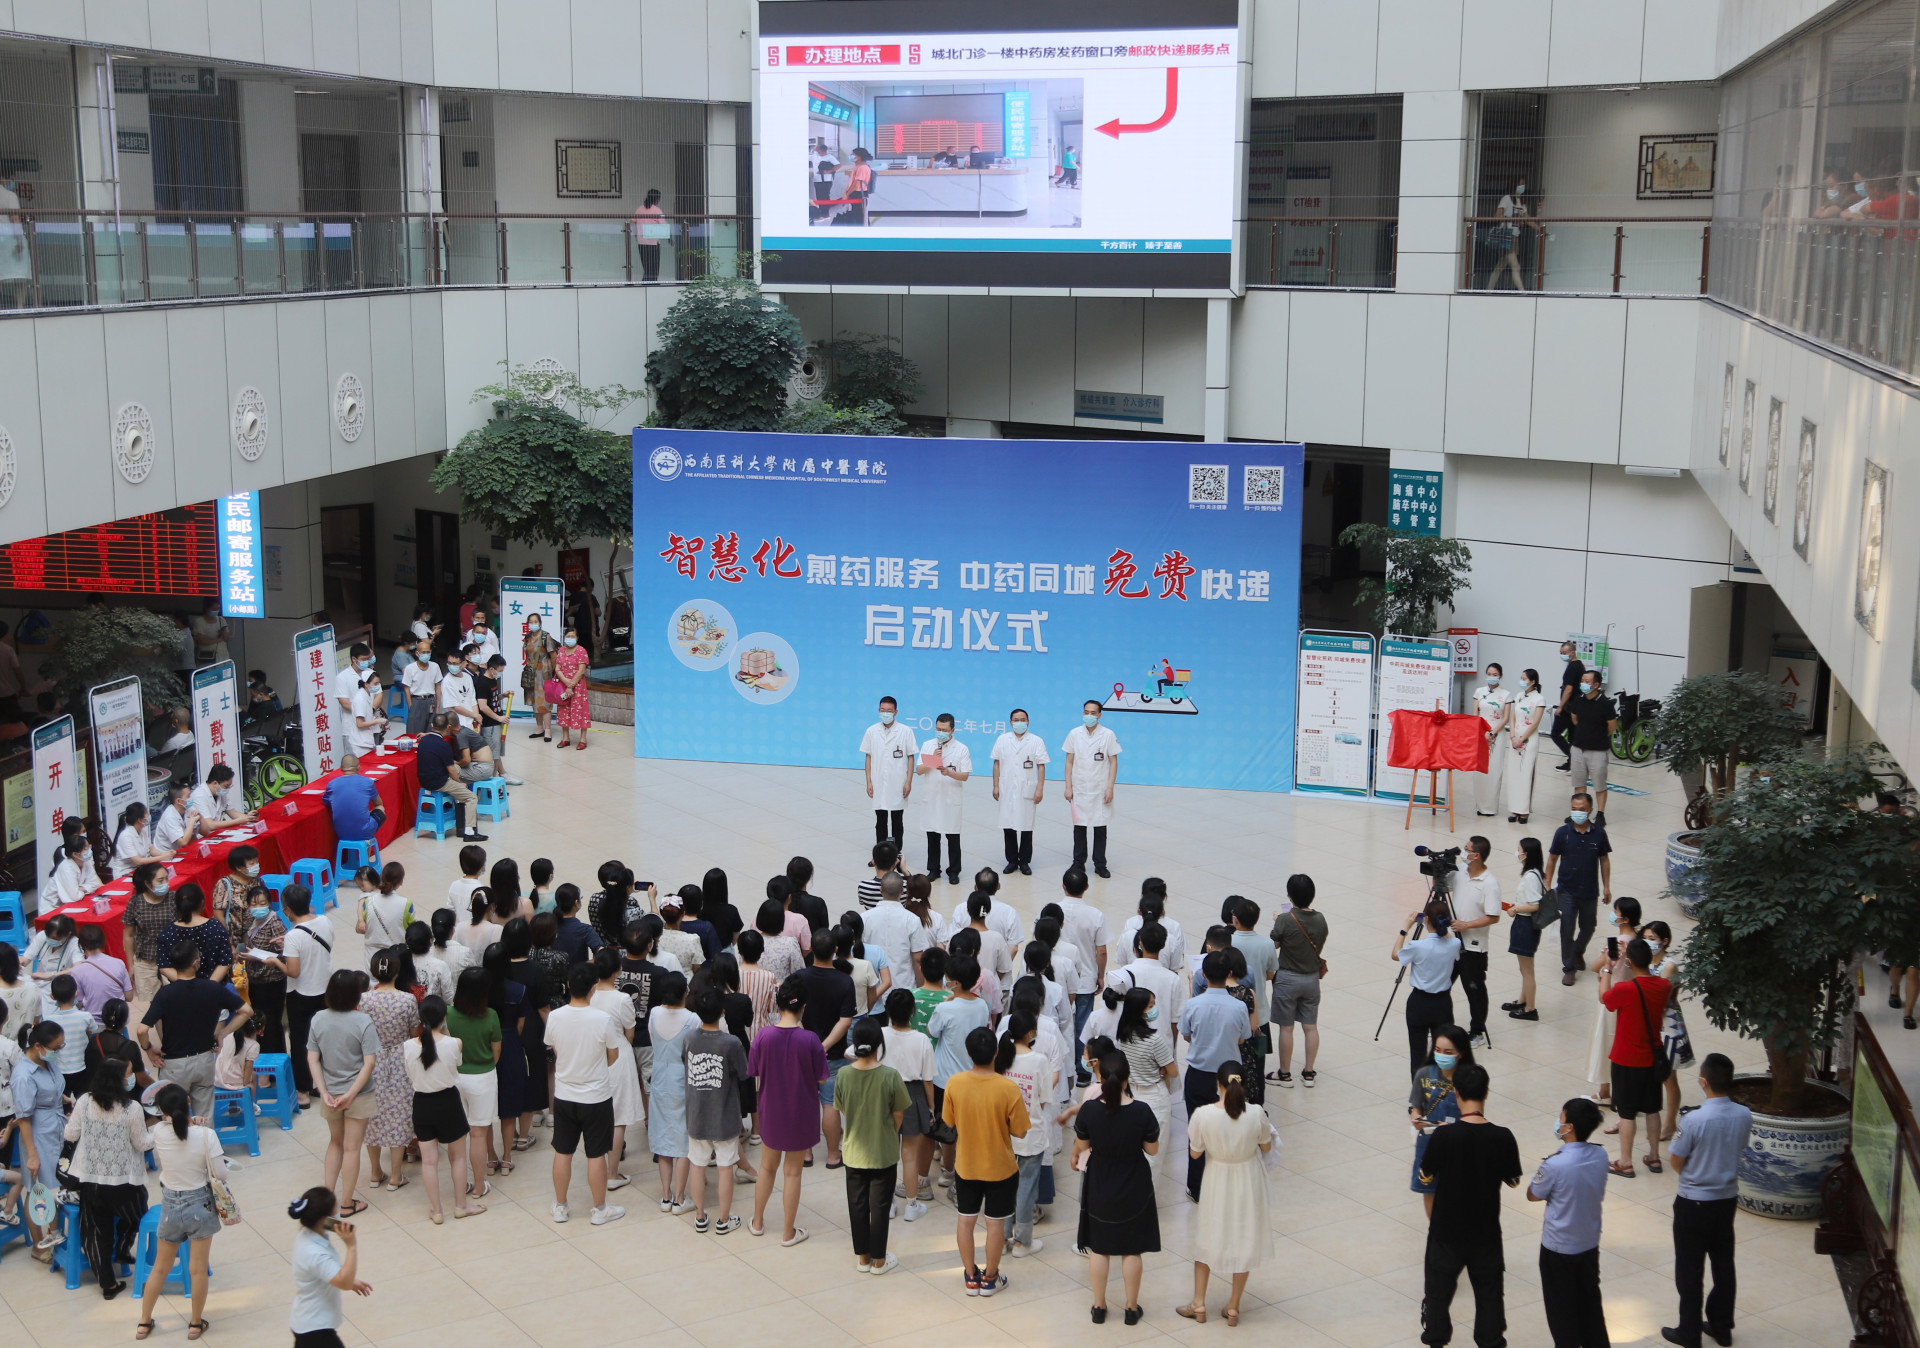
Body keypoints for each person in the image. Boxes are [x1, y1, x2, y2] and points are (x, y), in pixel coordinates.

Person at [1416, 1063, 1523, 1348]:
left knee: (1438, 1293)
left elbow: (1425, 1176)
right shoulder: (1503, 1136)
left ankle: (1436, 1338)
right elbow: (1513, 1181)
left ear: (1457, 1093)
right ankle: (1490, 1341)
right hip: (1486, 1232)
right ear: (1486, 1093)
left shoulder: (1444, 1136)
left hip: (1446, 1231)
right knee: (1489, 1295)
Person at [1665, 1052, 1752, 1348]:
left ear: (1703, 1082)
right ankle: (1721, 1326)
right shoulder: (1744, 1114)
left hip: (1694, 1202)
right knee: (1724, 1264)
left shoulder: (1693, 1119)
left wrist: (1696, 1176)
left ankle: (1689, 1332)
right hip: (1726, 1200)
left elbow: (1676, 1160)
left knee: (1690, 1269)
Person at [1179, 1061, 1274, 1326]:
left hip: (1217, 1177)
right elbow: (1266, 1147)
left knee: (1208, 1236)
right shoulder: (1256, 1113)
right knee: (1244, 1238)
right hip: (1247, 1178)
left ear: (1217, 1085)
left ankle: (1198, 1303)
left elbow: (1195, 1153)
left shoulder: (1203, 1114)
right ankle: (1233, 1306)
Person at [134, 1083, 227, 1340]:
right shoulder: (206, 1135)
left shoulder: (159, 1132)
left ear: (162, 1110)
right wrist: (197, 1124)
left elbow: (173, 1124)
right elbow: (221, 1174)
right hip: (200, 1203)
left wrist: (190, 1122)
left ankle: (144, 1322)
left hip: (170, 1204)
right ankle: (195, 1324)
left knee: (160, 1268)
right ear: (188, 1100)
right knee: (197, 1269)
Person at [943, 1024, 1029, 1297]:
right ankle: (991, 1279)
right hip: (1001, 1168)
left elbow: (949, 1121)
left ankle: (970, 1277)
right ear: (996, 1053)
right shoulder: (1008, 1088)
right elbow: (1021, 1131)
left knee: (965, 1221)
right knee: (995, 1224)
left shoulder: (954, 1083)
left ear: (969, 1053)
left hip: (966, 1166)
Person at [1077, 1048, 1159, 1323]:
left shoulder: (1090, 1109)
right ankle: (1131, 1308)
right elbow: (1152, 1149)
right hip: (1134, 1184)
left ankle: (1099, 1307)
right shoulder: (1142, 1111)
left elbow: (1083, 1144)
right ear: (1127, 1078)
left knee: (1099, 1247)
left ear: (1100, 1078)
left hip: (1100, 1182)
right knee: (1131, 1248)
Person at [544, 964, 627, 1225]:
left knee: (562, 1151)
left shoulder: (555, 1016)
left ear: (569, 985)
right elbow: (613, 1056)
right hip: (596, 1097)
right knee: (596, 1154)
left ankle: (560, 1206)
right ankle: (600, 1209)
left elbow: (553, 1047)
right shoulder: (602, 1019)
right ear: (593, 988)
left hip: (564, 1095)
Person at [63, 1059, 151, 1298]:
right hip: (125, 1184)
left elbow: (70, 1134)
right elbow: (142, 1144)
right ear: (119, 1080)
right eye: (129, 1074)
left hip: (90, 1180)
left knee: (96, 1232)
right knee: (137, 1213)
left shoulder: (84, 1101)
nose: (131, 1079)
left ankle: (108, 1284)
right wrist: (159, 1133)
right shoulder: (131, 1108)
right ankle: (122, 1248)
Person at [749, 973, 827, 1241]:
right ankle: (787, 1232)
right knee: (793, 1173)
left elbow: (754, 1070)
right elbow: (821, 1078)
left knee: (766, 1167)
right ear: (803, 1006)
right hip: (800, 1113)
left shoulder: (763, 1036)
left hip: (770, 1111)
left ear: (778, 1004)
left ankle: (757, 1222)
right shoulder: (811, 1040)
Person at [1529, 1097, 1611, 1348]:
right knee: (1590, 1307)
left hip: (1558, 1249)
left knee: (1561, 1313)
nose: (1558, 1122)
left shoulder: (1554, 1164)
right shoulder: (1601, 1155)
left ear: (1570, 1127)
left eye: (1561, 1118)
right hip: (1588, 1244)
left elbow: (1533, 1194)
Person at [139, 944, 247, 1118]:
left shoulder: (165, 994)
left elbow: (142, 1030)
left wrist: (148, 1049)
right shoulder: (212, 988)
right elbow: (246, 1011)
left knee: (175, 1116)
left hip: (174, 1065)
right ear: (196, 963)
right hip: (204, 1060)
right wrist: (222, 1033)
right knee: (205, 1116)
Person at [404, 994, 484, 1223]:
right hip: (449, 1102)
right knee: (457, 1158)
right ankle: (461, 1205)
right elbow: (456, 1064)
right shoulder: (454, 1043)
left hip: (422, 1104)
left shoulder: (408, 1046)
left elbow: (411, 1074)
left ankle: (437, 1210)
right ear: (444, 1018)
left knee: (429, 1161)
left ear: (421, 1019)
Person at [1179, 950, 1250, 1200]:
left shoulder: (1193, 1005)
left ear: (1203, 974)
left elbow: (1186, 1035)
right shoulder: (1239, 1006)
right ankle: (1228, 1185)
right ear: (1229, 973)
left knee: (1196, 1130)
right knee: (1230, 1129)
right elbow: (1243, 1037)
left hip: (1198, 1075)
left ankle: (1196, 1187)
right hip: (1230, 1077)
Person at [1601, 936, 1671, 1178]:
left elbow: (1604, 998)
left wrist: (1608, 968)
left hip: (1626, 1058)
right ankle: (1654, 1157)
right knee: (1652, 1109)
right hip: (1653, 1056)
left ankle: (1625, 1161)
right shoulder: (1664, 986)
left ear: (1629, 962)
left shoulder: (1625, 989)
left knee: (1626, 1113)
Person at [359, 950, 420, 1193]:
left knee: (372, 1116)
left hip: (370, 1060)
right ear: (397, 971)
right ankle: (396, 1176)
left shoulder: (364, 1000)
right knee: (399, 1116)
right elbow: (414, 1033)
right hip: (399, 1061)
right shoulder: (407, 1000)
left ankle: (375, 1172)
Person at [286, 1186, 373, 1348]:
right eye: (335, 1212)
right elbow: (343, 1282)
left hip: (307, 1323)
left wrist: (349, 1280)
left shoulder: (310, 1233)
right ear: (323, 1219)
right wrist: (351, 1246)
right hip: (315, 1330)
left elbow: (326, 1272)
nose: (337, 1215)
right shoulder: (314, 1252)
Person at [800, 927, 857, 1164]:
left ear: (811, 949)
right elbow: (845, 1021)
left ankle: (806, 1153)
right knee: (830, 1104)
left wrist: (811, 1044)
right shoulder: (844, 981)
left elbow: (793, 1015)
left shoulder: (799, 978)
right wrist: (823, 1046)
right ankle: (833, 1155)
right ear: (835, 950)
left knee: (806, 1102)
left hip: (803, 1052)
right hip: (833, 1054)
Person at [585, 946, 640, 1187]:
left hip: (594, 1055)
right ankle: (612, 1173)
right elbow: (630, 1031)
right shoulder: (622, 999)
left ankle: (598, 1167)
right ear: (618, 970)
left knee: (599, 1114)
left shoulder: (589, 994)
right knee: (619, 1118)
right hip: (618, 1054)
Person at [445, 967, 502, 1201]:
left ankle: (460, 1186)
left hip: (454, 1079)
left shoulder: (447, 1014)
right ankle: (479, 1186)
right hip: (482, 1078)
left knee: (457, 1136)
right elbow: (496, 1052)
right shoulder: (491, 1016)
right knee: (478, 1134)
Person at [11, 1021, 66, 1254]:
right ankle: (38, 1245)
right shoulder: (23, 1076)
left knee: (54, 1187)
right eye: (56, 1047)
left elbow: (52, 1090)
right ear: (38, 1046)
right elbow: (23, 1118)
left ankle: (54, 1235)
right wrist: (32, 1155)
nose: (58, 1051)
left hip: (56, 1129)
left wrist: (67, 1100)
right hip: (37, 1136)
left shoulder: (47, 1061)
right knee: (38, 1191)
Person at [1409, 1025, 1474, 1217]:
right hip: (1429, 1142)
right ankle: (1434, 1227)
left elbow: (1475, 1115)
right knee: (1429, 1188)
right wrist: (1416, 1117)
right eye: (1437, 1050)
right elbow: (1416, 1105)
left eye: (1448, 1052)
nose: (1441, 1055)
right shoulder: (1424, 1074)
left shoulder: (1470, 1079)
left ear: (1461, 1053)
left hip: (1459, 1144)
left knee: (1457, 1190)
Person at [1546, 792, 1611, 985]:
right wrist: (1548, 884)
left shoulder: (1599, 833)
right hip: (1566, 890)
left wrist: (1607, 887)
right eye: (1574, 809)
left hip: (1589, 890)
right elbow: (1552, 859)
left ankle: (1577, 951)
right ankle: (1569, 968)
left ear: (1590, 810)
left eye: (1582, 809)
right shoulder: (1562, 833)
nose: (1577, 813)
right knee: (1567, 929)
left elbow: (1604, 860)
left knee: (1589, 926)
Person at [1268, 873, 1327, 1086]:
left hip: (1287, 979)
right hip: (1312, 979)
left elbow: (1273, 945)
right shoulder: (1320, 919)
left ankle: (1285, 1074)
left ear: (1290, 896)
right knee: (1310, 1027)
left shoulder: (1285, 919)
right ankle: (1309, 1073)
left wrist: (1278, 922)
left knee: (1286, 1028)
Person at [1112, 985, 1176, 1175]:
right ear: (1139, 1009)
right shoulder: (1154, 1039)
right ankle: (1148, 1192)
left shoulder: (1123, 1035)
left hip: (1129, 1094)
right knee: (1154, 1155)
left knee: (1132, 1151)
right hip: (1154, 1096)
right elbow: (1173, 1071)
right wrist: (1161, 1069)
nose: (1154, 1009)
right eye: (1150, 1005)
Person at [1394, 899, 1461, 1077]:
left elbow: (1395, 955)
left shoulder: (1418, 946)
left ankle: (1419, 1091)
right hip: (1443, 1003)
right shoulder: (1455, 944)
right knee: (1442, 1052)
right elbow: (1449, 940)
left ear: (1427, 920)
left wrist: (1404, 929)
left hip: (1419, 1003)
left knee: (1417, 1053)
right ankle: (1441, 1087)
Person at [1642, 920, 1695, 1140]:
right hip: (1648, 1022)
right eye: (1645, 938)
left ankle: (1670, 1123)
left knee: (1668, 1076)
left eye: (1652, 938)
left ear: (1665, 941)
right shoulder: (1643, 961)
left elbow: (1660, 999)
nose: (1648, 942)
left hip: (1667, 1025)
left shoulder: (1669, 966)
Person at [647, 969, 695, 1210]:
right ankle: (680, 1197)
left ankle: (665, 1196)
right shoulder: (692, 1019)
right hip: (682, 1078)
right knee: (683, 1141)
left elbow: (653, 1041)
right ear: (685, 991)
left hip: (659, 1076)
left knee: (663, 1137)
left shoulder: (655, 1013)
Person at [1056, 868, 1112, 1076]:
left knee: (1059, 1024)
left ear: (1063, 886)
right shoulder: (1095, 915)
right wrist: (1100, 975)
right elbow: (1101, 950)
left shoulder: (1052, 910)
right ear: (1087, 887)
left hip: (1058, 978)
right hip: (1085, 980)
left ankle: (1061, 1068)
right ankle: (1082, 1071)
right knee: (1082, 1026)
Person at [1450, 836, 1502, 1048]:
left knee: (1474, 990)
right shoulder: (1461, 872)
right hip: (1451, 942)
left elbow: (1493, 916)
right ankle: (1442, 1025)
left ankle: (1477, 1031)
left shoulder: (1490, 883)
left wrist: (1467, 925)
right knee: (1441, 985)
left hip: (1473, 947)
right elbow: (1444, 886)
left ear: (1476, 855)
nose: (1464, 852)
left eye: (1467, 849)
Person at [1063, 701, 1121, 877]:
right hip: (1079, 787)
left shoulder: (1108, 734)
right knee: (1079, 827)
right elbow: (1069, 761)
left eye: (1093, 713)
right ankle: (1078, 862)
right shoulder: (1074, 733)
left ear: (1099, 715)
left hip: (1100, 788)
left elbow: (1113, 762)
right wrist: (1068, 786)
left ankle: (1100, 864)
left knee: (1100, 827)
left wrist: (1110, 787)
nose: (1089, 716)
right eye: (1086, 712)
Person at [915, 713, 970, 883]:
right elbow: (919, 770)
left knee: (952, 837)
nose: (941, 733)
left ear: (952, 730)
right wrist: (933, 759)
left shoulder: (962, 748)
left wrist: (949, 773)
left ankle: (953, 871)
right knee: (932, 836)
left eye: (944, 730)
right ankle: (933, 869)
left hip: (950, 798)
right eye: (938, 729)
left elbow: (965, 776)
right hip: (932, 797)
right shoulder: (928, 745)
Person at [991, 710, 1048, 874]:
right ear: (1010, 722)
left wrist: (1040, 788)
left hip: (1027, 787)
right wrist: (996, 785)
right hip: (1007, 787)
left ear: (1028, 721)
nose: (1019, 722)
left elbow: (1041, 766)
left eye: (1023, 720)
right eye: (1016, 720)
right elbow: (996, 763)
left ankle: (1024, 861)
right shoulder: (1002, 739)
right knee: (1008, 825)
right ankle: (1011, 860)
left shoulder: (1036, 741)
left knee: (1026, 825)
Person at [416, 712, 487, 842]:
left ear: (432, 725)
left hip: (424, 780)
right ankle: (469, 832)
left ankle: (460, 822)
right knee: (471, 797)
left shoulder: (423, 741)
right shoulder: (444, 745)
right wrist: (460, 783)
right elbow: (451, 770)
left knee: (458, 780)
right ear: (448, 727)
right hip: (439, 782)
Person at [860, 695, 917, 849]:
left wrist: (908, 781)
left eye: (889, 711)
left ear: (896, 712)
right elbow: (868, 757)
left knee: (897, 820)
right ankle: (880, 854)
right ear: (879, 710)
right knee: (880, 820)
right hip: (878, 781)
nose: (886, 713)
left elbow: (911, 757)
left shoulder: (905, 731)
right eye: (883, 710)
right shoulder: (872, 731)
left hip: (898, 782)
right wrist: (869, 781)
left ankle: (897, 853)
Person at [1565, 672, 1619, 824]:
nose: (1583, 683)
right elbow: (1574, 718)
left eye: (1587, 681)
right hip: (1578, 748)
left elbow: (1612, 726)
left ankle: (1600, 814)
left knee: (1599, 784)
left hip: (1598, 751)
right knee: (1578, 783)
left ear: (1596, 685)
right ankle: (1579, 811)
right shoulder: (1578, 699)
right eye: (1582, 680)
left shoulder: (1605, 704)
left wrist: (1597, 735)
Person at [1503, 837, 1548, 1020]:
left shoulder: (1530, 877)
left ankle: (1530, 1009)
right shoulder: (1535, 873)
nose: (1517, 853)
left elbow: (1535, 905)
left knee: (1527, 970)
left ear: (1527, 854)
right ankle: (1523, 1000)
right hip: (1525, 924)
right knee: (1524, 969)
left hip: (1525, 925)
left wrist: (1516, 909)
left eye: (1519, 850)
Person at [1470, 664, 1514, 816]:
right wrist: (1481, 732)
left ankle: (1490, 807)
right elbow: (1475, 714)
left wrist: (1492, 732)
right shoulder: (1479, 692)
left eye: (1495, 674)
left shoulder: (1506, 695)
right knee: (1479, 771)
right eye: (1489, 674)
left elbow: (1506, 718)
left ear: (1500, 676)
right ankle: (1480, 806)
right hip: (1480, 734)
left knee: (1494, 770)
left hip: (1497, 735)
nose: (1491, 677)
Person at [1506, 669, 1548, 823]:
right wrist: (1512, 737)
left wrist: (1522, 739)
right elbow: (1512, 718)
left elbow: (1535, 723)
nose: (1522, 681)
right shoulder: (1518, 696)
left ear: (1533, 681)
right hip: (1514, 739)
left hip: (1529, 740)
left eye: (1525, 679)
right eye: (1521, 678)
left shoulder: (1539, 699)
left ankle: (1524, 811)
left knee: (1526, 774)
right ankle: (1514, 809)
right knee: (1514, 774)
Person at [355, 862, 412, 970]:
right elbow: (413, 929)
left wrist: (361, 921)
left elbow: (359, 929)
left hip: (372, 957)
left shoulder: (368, 902)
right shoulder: (406, 904)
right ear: (401, 881)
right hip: (396, 955)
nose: (361, 888)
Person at [70, 922, 132, 1017]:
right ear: (103, 941)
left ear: (81, 945)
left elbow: (78, 1003)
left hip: (93, 1021)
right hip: (118, 1018)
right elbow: (129, 996)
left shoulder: (77, 971)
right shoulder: (119, 963)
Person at [324, 755, 386, 849]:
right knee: (380, 808)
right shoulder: (367, 782)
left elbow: (326, 802)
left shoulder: (331, 784)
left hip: (340, 832)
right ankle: (366, 853)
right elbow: (378, 803)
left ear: (341, 768)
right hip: (363, 831)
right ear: (358, 767)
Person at [187, 762, 256, 833]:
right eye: (226, 786)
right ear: (215, 783)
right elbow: (210, 825)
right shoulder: (199, 796)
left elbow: (233, 812)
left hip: (217, 832)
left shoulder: (219, 792)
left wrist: (248, 817)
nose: (227, 789)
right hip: (201, 835)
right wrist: (237, 821)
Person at [109, 802, 172, 879]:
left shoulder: (142, 831)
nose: (149, 815)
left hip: (141, 870)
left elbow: (151, 850)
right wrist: (161, 857)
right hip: (126, 872)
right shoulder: (126, 836)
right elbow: (137, 861)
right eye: (147, 813)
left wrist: (167, 854)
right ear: (139, 820)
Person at [522, 614, 560, 742]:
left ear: (540, 623)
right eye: (531, 622)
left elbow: (553, 656)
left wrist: (553, 672)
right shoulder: (527, 637)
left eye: (535, 621)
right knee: (534, 700)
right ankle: (539, 728)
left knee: (544, 701)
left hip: (544, 672)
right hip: (531, 672)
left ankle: (547, 730)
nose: (533, 624)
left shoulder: (545, 636)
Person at [553, 626, 592, 749]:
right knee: (564, 710)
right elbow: (557, 668)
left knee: (581, 710)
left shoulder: (581, 651)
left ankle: (583, 739)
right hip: (563, 686)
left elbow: (581, 671)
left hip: (578, 687)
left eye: (572, 636)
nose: (570, 638)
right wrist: (565, 681)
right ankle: (565, 738)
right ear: (564, 637)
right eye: (568, 636)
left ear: (577, 638)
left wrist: (571, 685)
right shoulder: (561, 650)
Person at [1549, 639, 1586, 770]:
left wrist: (1560, 706)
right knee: (1572, 736)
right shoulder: (1579, 665)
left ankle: (1573, 758)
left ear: (1572, 652)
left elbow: (1568, 689)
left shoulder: (1573, 667)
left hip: (1569, 707)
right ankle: (1573, 762)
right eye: (1561, 652)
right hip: (1576, 707)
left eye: (1564, 652)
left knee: (1555, 733)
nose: (1562, 655)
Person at [400, 637, 441, 735]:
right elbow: (406, 689)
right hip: (416, 701)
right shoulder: (410, 668)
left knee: (431, 731)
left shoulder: (435, 666)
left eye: (428, 652)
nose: (426, 655)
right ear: (417, 653)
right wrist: (411, 707)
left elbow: (438, 687)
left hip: (431, 701)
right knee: (414, 733)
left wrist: (438, 707)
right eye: (423, 652)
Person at [151, 781, 200, 854]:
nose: (191, 798)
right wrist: (191, 822)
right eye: (188, 796)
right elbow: (183, 842)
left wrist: (200, 816)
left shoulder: (188, 808)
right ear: (179, 801)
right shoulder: (169, 816)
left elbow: (205, 832)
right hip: (165, 854)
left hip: (180, 851)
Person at [632, 186, 667, 280]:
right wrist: (669, 237)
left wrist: (636, 235)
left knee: (646, 267)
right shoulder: (657, 210)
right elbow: (663, 225)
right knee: (654, 268)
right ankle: (651, 284)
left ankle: (646, 283)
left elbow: (633, 222)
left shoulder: (639, 209)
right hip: (653, 242)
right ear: (657, 199)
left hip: (641, 241)